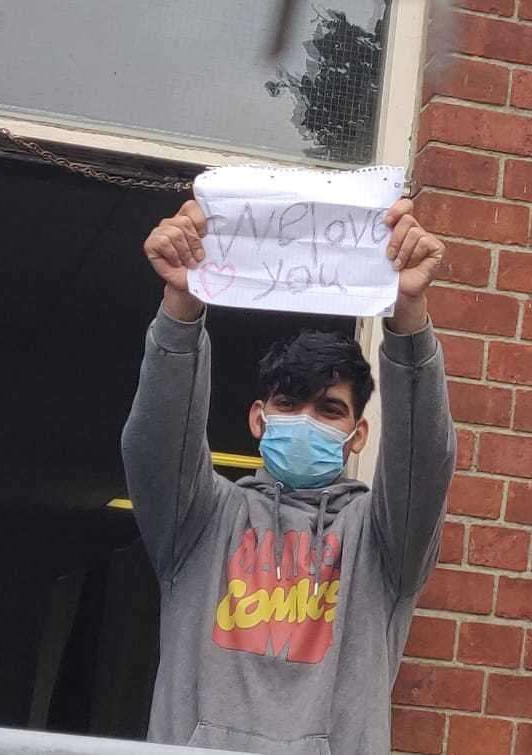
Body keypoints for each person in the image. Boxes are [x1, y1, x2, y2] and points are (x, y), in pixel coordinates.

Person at [121, 196, 455, 753]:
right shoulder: (200, 521)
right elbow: (156, 440)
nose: (305, 419)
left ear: (359, 435)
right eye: (289, 404)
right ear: (259, 418)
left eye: (328, 410)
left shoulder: (384, 544)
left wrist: (408, 317)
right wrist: (181, 304)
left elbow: (427, 458)